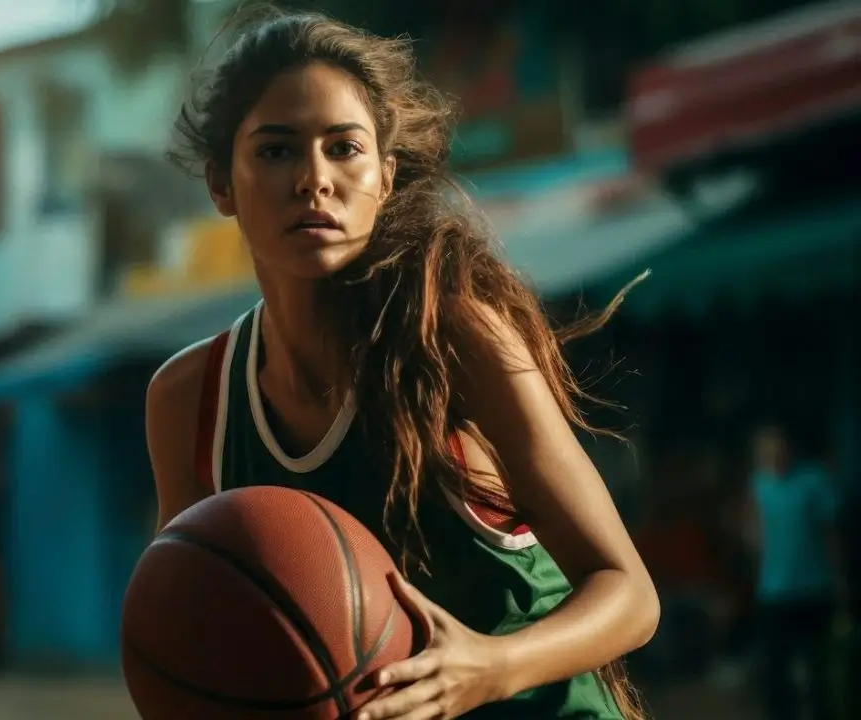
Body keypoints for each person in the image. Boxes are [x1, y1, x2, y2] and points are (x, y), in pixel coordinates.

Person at [145, 11, 659, 720]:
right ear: (219, 184)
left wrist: (490, 666)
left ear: (385, 177)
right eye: (275, 151)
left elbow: (629, 592)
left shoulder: (452, 337)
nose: (314, 180)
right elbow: (187, 624)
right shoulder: (189, 399)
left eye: (344, 148)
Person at [743, 424, 845, 720]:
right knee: (777, 674)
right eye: (764, 450)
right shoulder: (758, 484)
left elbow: (831, 536)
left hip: (814, 589)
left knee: (819, 673)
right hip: (774, 592)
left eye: (776, 447)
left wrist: (841, 585)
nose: (772, 455)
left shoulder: (814, 480)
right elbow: (756, 534)